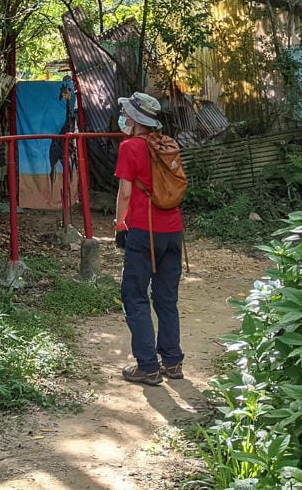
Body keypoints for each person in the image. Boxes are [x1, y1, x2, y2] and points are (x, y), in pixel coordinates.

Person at [113, 92, 184, 386]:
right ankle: (172, 361)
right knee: (166, 297)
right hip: (174, 231)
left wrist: (120, 224)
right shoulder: (168, 145)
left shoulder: (130, 146)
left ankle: (148, 366)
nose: (122, 118)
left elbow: (125, 192)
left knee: (134, 295)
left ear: (133, 118)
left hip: (145, 230)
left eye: (125, 114)